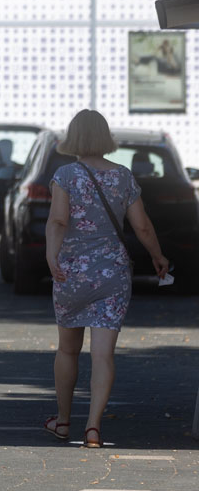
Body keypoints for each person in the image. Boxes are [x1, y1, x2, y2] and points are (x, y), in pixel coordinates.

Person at [44, 109, 169, 448]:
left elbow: (58, 221)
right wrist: (157, 256)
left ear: (74, 138)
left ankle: (63, 421)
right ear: (104, 137)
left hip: (72, 272)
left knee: (67, 350)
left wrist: (52, 256)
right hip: (113, 273)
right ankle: (94, 428)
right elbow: (142, 226)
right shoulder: (123, 176)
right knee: (103, 355)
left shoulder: (65, 175)